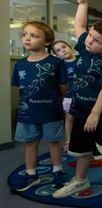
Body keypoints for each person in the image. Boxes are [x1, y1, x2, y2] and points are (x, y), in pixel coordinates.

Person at [52, 0, 102, 204]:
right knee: (82, 150)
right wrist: (83, 4)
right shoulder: (84, 46)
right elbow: (79, 26)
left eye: (97, 40)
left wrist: (96, 113)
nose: (89, 41)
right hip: (81, 112)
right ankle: (81, 180)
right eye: (91, 35)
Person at [10, 21, 68, 192]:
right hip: (27, 113)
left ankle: (58, 171)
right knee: (30, 143)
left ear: (47, 42)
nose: (27, 38)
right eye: (25, 34)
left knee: (53, 142)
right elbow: (20, 87)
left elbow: (63, 87)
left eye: (34, 36)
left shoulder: (56, 62)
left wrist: (62, 106)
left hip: (51, 111)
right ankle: (31, 174)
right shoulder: (20, 64)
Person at [51, 40, 77, 151]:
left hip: (85, 94)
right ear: (56, 55)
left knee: (85, 119)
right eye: (58, 50)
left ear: (69, 46)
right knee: (69, 118)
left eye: (64, 47)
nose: (62, 50)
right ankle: (69, 141)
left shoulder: (81, 59)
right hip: (69, 95)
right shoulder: (60, 65)